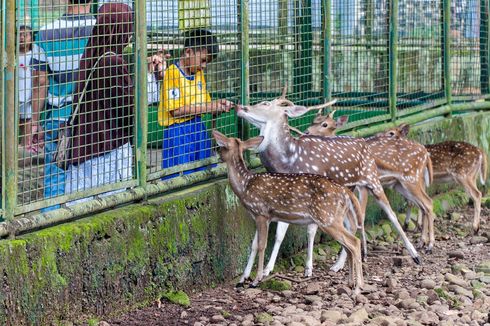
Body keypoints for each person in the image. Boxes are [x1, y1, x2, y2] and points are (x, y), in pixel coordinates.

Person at [64, 3, 165, 205]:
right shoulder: (113, 62)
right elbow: (133, 107)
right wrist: (151, 77)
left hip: (85, 148)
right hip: (106, 152)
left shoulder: (92, 54)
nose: (129, 36)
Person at [30, 0, 96, 211]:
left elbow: (40, 81)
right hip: (93, 118)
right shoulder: (100, 29)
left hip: (58, 120)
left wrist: (34, 122)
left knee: (55, 177)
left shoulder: (46, 32)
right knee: (91, 176)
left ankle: (50, 225)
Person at [158, 29, 234, 179]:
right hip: (178, 131)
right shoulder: (172, 73)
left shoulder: (198, 74)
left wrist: (217, 106)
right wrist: (210, 107)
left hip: (197, 127)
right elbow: (176, 110)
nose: (204, 66)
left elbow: (205, 103)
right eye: (203, 60)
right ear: (188, 52)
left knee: (204, 172)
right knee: (180, 176)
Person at [18, 25, 34, 148]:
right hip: (16, 95)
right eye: (20, 35)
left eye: (25, 35)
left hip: (30, 94)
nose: (22, 38)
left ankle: (26, 145)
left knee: (27, 120)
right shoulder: (13, 55)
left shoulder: (34, 55)